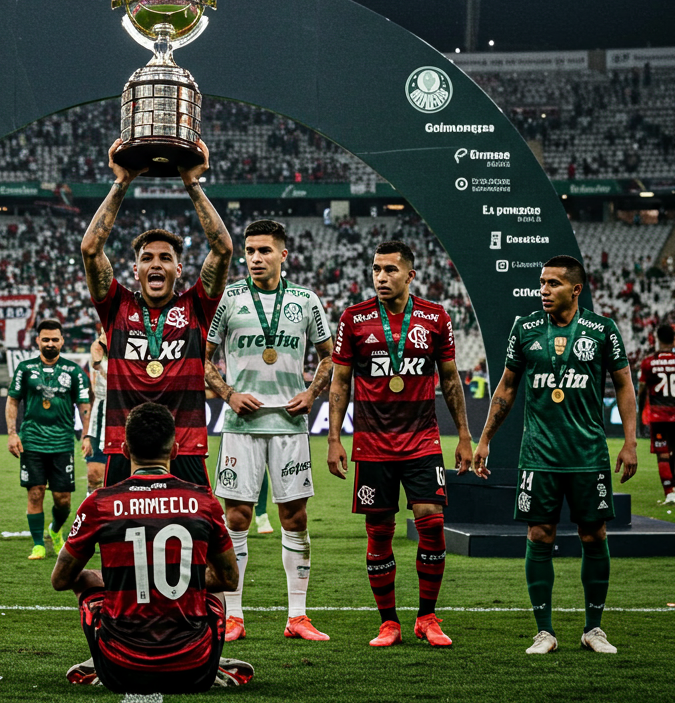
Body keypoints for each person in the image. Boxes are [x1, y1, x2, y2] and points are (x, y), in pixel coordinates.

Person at [474, 254, 638, 655]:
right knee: (538, 535)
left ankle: (593, 629)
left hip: (588, 454)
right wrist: (484, 440)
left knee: (593, 535)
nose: (543, 290)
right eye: (541, 283)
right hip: (538, 455)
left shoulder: (602, 330)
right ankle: (544, 631)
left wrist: (630, 442)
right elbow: (507, 388)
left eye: (553, 284)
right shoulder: (525, 328)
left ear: (575, 289)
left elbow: (625, 385)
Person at [327, 240, 473, 649]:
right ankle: (388, 622)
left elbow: (449, 379)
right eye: (376, 269)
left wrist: (463, 435)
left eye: (390, 270)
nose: (381, 277)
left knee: (431, 523)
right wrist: (335, 438)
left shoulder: (435, 317)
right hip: (372, 445)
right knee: (379, 532)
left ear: (410, 275)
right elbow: (340, 381)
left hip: (422, 440)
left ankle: (426, 616)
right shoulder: (353, 319)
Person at [51, 402, 253, 692]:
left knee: (85, 578)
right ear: (174, 451)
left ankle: (99, 659)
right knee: (215, 587)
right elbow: (230, 579)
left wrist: (121, 577)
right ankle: (214, 661)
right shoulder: (204, 501)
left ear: (123, 450)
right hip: (195, 670)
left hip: (118, 671)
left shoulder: (99, 503)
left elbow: (60, 580)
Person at [205, 218, 335, 642]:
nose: (255, 258)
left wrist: (313, 392)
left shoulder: (306, 300)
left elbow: (330, 357)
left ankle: (297, 616)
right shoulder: (227, 299)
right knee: (236, 517)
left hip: (290, 424)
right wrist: (228, 394)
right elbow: (201, 358)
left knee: (293, 517)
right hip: (241, 425)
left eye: (264, 250)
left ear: (283, 254)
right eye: (250, 251)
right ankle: (234, 616)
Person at [79, 137, 232, 488]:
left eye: (166, 258)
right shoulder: (117, 306)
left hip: (185, 445)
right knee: (122, 536)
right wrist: (121, 182)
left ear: (179, 270)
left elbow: (223, 249)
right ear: (135, 271)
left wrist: (192, 181)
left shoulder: (196, 306)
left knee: (194, 536)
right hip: (124, 446)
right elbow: (90, 249)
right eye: (147, 258)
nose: (156, 264)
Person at [6, 318, 91, 560]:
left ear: (62, 341)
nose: (50, 343)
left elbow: (85, 405)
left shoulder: (74, 371)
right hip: (31, 440)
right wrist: (13, 433)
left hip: (62, 442)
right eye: (46, 339)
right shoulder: (24, 368)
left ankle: (55, 529)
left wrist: (86, 435)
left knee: (63, 500)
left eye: (55, 339)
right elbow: (12, 400)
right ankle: (38, 545)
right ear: (38, 341)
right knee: (35, 492)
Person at [638, 323, 675, 504]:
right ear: (673, 339)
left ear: (657, 339)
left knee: (663, 454)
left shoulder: (648, 362)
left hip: (659, 416)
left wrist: (639, 416)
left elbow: (642, 390)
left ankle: (669, 492)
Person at [83, 330, 109, 493]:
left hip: (127, 420)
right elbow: (89, 396)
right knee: (94, 475)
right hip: (99, 420)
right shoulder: (96, 352)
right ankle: (92, 517)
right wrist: (86, 434)